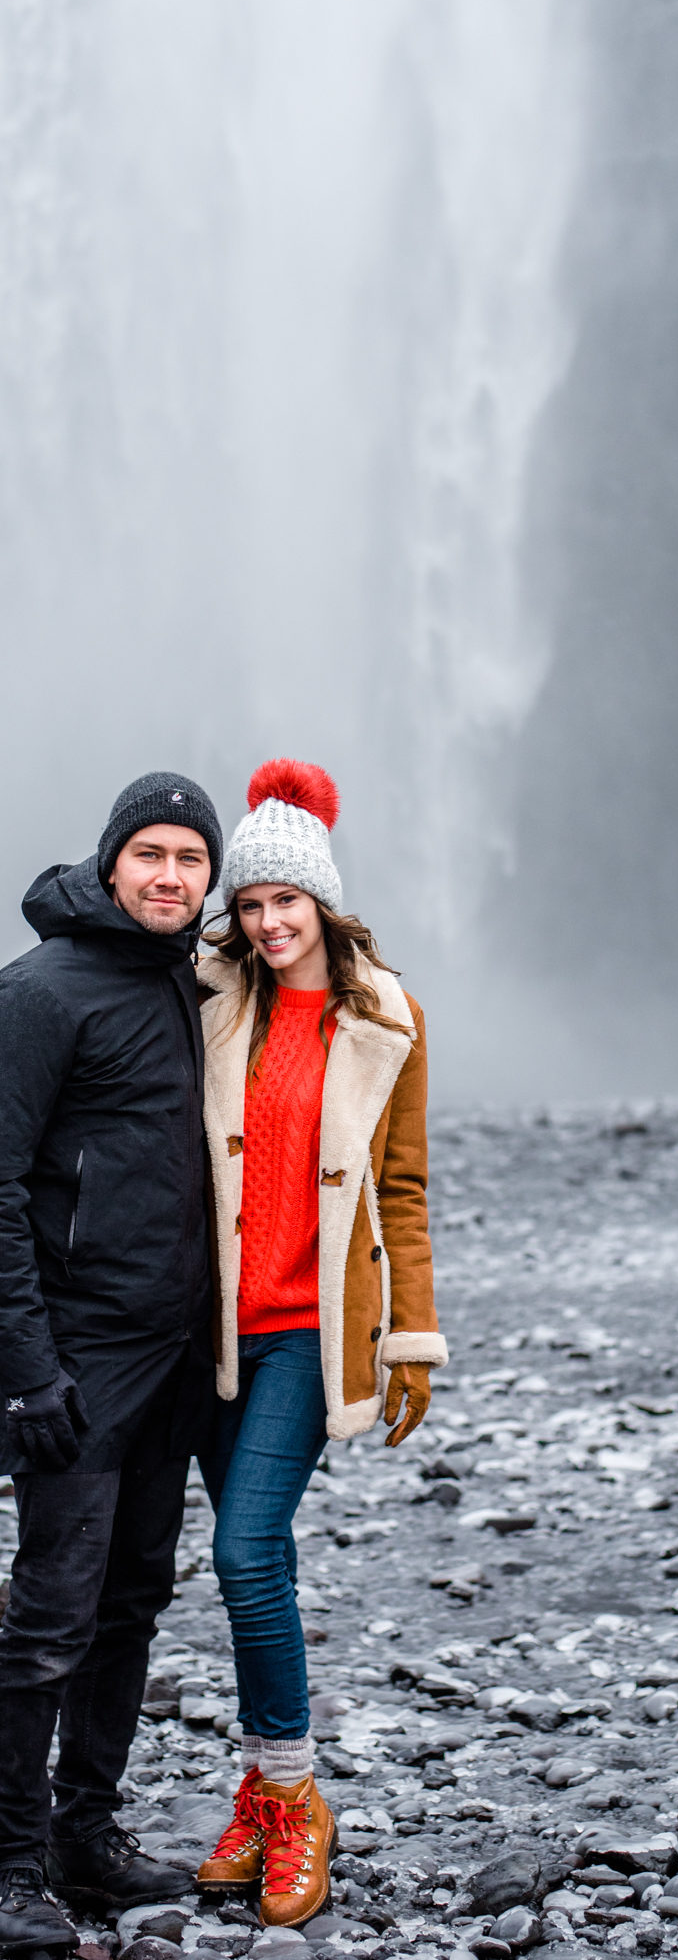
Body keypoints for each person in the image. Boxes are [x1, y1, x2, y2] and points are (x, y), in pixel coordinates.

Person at [194, 758, 447, 1930]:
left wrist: (411, 1340)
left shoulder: (387, 1016)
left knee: (244, 1554)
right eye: (248, 904)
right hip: (206, 1333)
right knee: (265, 1567)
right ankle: (263, 1782)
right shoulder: (209, 1000)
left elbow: (401, 1188)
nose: (266, 920)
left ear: (322, 901)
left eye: (283, 899)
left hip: (306, 1331)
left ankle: (296, 1801)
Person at [0, 772, 223, 1953]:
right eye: (152, 854)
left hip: (174, 1357)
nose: (172, 878)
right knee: (49, 1615)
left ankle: (85, 1834)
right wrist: (27, 1366)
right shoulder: (41, 993)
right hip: (76, 1363)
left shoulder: (192, 983)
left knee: (132, 1601)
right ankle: (8, 1866)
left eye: (192, 859)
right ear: (111, 860)